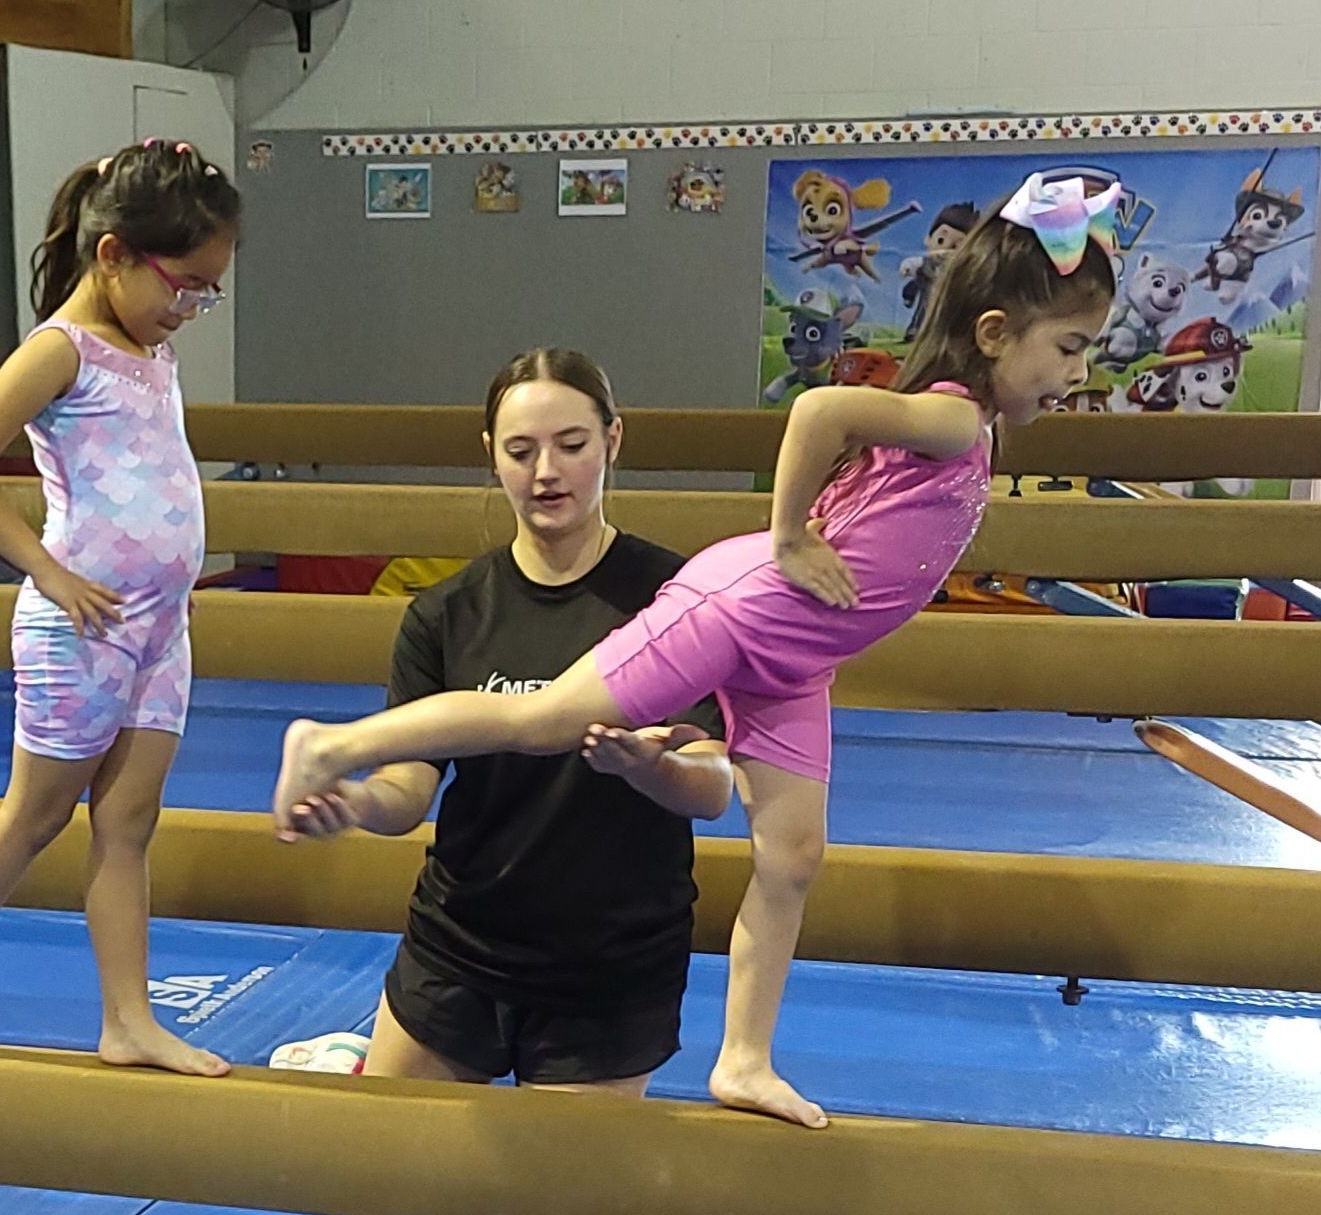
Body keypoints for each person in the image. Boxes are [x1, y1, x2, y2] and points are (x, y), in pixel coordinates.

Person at [275, 171, 1119, 1129]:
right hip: (745, 608)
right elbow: (816, 412)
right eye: (1068, 347)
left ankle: (745, 1060)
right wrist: (793, 533)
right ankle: (337, 741)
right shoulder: (952, 415)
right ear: (996, 331)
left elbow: (711, 779)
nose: (1075, 371)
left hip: (795, 658)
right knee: (543, 717)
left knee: (792, 855)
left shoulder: (973, 427)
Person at [288, 349, 732, 1215]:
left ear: (612, 441)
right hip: (466, 942)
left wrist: (647, 770)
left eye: (570, 444)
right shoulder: (448, 613)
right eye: (520, 448)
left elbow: (716, 787)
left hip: (606, 964)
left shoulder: (672, 597)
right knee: (383, 1181)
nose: (545, 472)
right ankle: (357, 1058)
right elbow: (409, 791)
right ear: (489, 453)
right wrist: (355, 805)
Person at [0, 139, 240, 1074]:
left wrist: (170, 583)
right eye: (186, 286)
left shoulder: (148, 345)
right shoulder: (61, 349)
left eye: (210, 291)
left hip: (159, 627)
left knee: (128, 824)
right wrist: (46, 569)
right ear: (114, 253)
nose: (193, 308)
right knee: (34, 816)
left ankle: (127, 1018)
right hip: (80, 621)